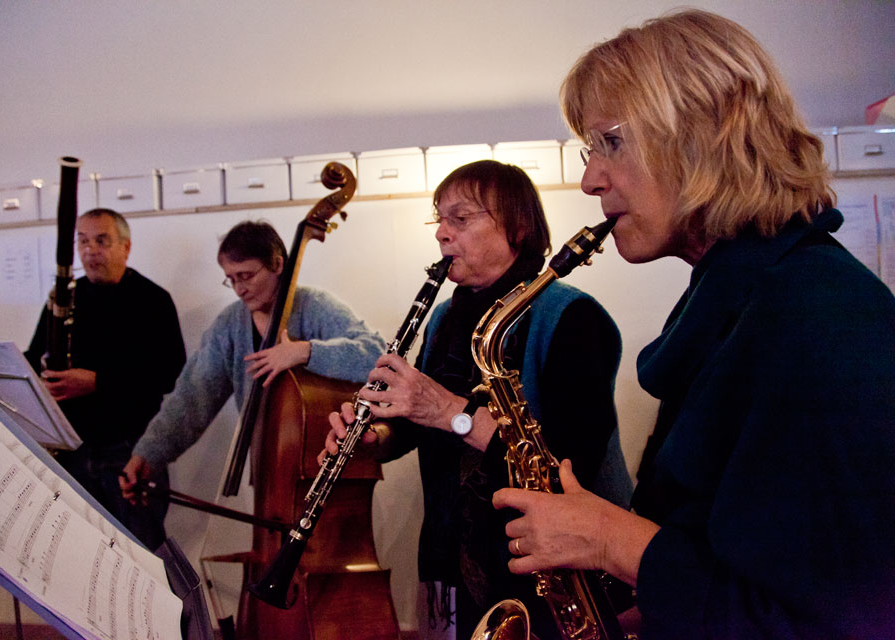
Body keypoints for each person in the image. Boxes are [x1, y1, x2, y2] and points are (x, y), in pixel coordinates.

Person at [491, 10, 895, 639]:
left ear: (702, 135)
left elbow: (839, 621)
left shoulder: (819, 316)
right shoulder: (745, 297)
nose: (590, 179)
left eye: (611, 143)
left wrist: (610, 540)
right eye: (591, 149)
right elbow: (735, 554)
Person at [324, 160, 631, 640]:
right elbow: (415, 424)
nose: (441, 234)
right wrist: (374, 437)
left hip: (556, 574)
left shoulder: (573, 316)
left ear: (518, 227)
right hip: (456, 559)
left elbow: (569, 463)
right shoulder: (444, 317)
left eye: (461, 219)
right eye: (439, 220)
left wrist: (451, 412)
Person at [120, 219, 384, 499]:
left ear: (277, 264)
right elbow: (191, 398)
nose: (239, 288)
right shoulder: (229, 325)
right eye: (231, 279)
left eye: (246, 276)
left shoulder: (315, 306)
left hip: (328, 471)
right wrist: (146, 455)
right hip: (268, 473)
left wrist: (306, 351)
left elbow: (376, 355)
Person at [26, 207, 186, 551]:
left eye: (101, 241)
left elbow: (171, 373)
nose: (90, 251)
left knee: (142, 554)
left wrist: (98, 382)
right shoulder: (63, 297)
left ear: (125, 247)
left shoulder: (153, 300)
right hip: (72, 450)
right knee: (80, 553)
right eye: (83, 241)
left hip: (130, 450)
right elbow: (36, 357)